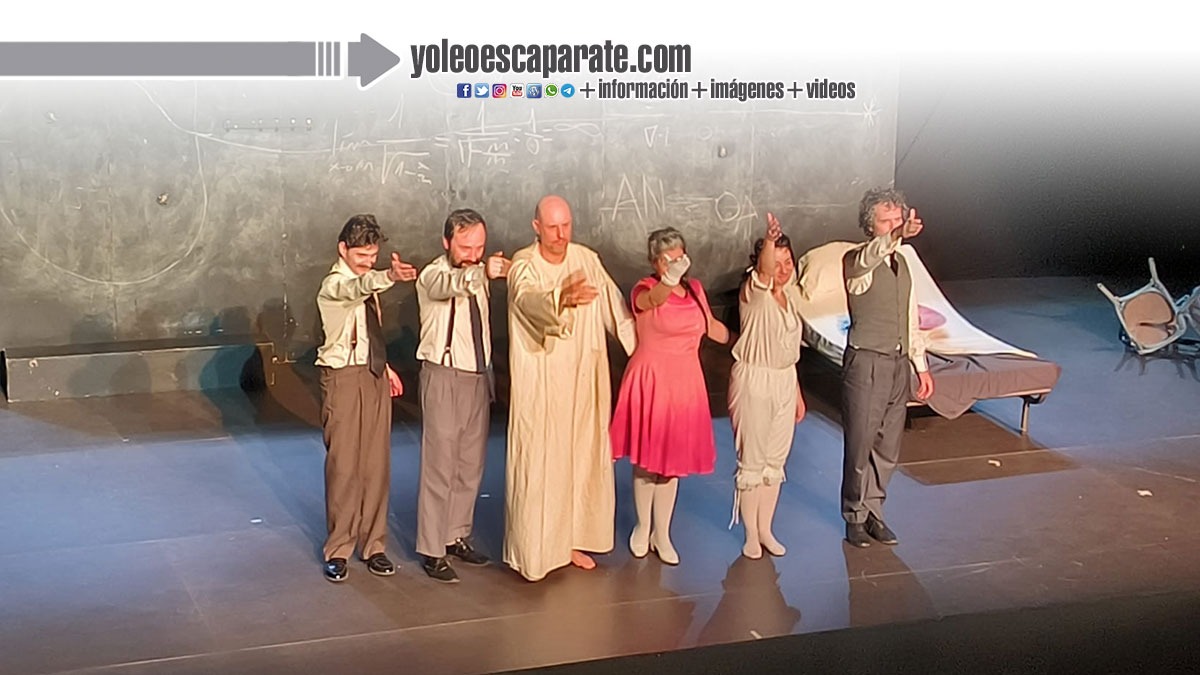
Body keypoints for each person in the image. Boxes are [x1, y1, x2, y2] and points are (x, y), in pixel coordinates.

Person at [504, 195, 637, 581]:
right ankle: (535, 552)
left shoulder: (585, 259)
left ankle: (573, 539)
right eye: (552, 227)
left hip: (583, 380)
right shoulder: (524, 265)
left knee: (580, 459)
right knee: (542, 464)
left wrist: (645, 356)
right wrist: (560, 297)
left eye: (566, 225)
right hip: (544, 386)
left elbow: (616, 311)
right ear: (536, 227)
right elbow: (526, 300)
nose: (561, 234)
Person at [610, 227, 730, 565]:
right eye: (667, 259)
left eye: (679, 257)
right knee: (647, 462)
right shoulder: (644, 289)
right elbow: (652, 302)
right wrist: (669, 279)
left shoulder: (694, 290)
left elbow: (711, 327)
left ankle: (662, 533)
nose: (675, 264)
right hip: (652, 381)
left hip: (685, 383)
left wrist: (745, 343)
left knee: (671, 465)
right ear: (654, 262)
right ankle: (642, 526)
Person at [315, 213, 418, 582]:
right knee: (344, 464)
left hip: (372, 374)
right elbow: (354, 289)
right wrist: (388, 275)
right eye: (361, 256)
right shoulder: (334, 285)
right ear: (343, 249)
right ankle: (339, 548)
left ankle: (374, 545)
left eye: (373, 257)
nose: (367, 263)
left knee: (376, 464)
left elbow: (369, 330)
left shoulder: (368, 282)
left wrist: (384, 366)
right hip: (343, 378)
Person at [414, 208, 511, 583]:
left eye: (479, 247)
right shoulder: (433, 275)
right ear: (447, 242)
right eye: (465, 247)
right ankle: (432, 548)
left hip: (477, 376)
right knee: (439, 466)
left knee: (470, 465)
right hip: (444, 376)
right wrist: (480, 273)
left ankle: (455, 534)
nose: (473, 255)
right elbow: (450, 285)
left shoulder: (479, 273)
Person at [840, 187, 933, 548]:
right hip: (867, 361)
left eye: (898, 219)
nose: (895, 226)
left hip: (897, 362)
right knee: (860, 443)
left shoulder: (904, 263)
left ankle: (874, 511)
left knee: (887, 447)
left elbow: (910, 316)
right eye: (887, 221)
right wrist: (895, 237)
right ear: (871, 226)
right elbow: (870, 258)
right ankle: (854, 514)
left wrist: (920, 365)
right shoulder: (856, 260)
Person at [728, 212, 807, 559]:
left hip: (784, 380)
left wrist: (797, 393)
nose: (783, 269)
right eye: (777, 262)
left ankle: (765, 530)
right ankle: (750, 534)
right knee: (753, 460)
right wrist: (770, 240)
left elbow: (789, 353)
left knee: (775, 461)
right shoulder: (754, 292)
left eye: (788, 262)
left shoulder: (790, 298)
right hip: (754, 380)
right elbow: (763, 275)